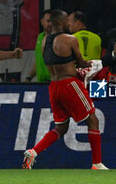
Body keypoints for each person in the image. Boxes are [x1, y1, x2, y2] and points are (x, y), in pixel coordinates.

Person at [22, 9, 108, 170]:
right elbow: (81, 63)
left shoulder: (44, 42)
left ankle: (33, 152)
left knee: (61, 127)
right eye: (66, 20)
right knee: (92, 119)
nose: (69, 23)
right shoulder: (69, 39)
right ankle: (97, 163)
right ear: (59, 22)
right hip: (70, 84)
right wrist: (93, 65)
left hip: (53, 87)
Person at [26, 10, 52, 82]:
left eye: (53, 21)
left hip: (52, 82)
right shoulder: (40, 37)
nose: (51, 24)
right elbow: (38, 60)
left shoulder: (58, 38)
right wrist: (29, 77)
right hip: (40, 83)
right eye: (48, 21)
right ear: (42, 22)